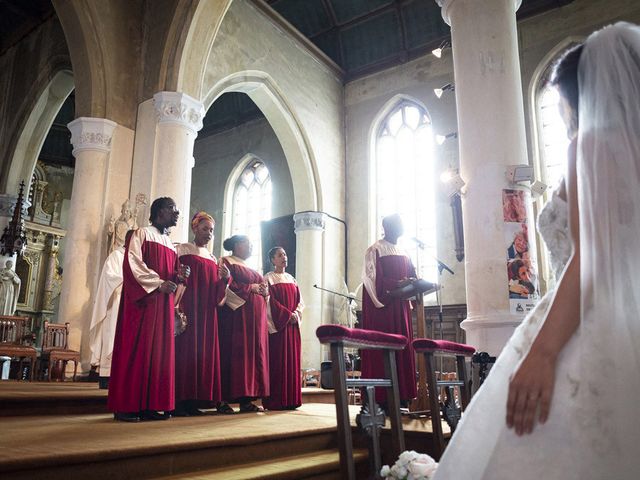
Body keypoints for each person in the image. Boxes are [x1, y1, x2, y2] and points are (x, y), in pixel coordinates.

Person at [434, 23, 640, 479]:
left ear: (576, 98)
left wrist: (543, 354)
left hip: (588, 324)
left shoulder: (589, 142)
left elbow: (591, 260)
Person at [107, 197, 190, 422]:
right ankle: (127, 405)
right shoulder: (141, 233)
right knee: (137, 350)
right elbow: (133, 264)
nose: (177, 212)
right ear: (158, 211)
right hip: (143, 303)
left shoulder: (169, 244)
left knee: (158, 354)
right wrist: (158, 283)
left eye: (176, 209)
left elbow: (170, 275)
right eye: (172, 208)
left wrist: (178, 277)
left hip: (162, 306)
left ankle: (150, 404)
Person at [173, 212, 230, 416]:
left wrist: (225, 279)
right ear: (194, 228)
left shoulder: (213, 259)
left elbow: (217, 295)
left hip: (206, 313)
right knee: (185, 353)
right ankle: (179, 401)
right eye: (205, 229)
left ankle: (194, 400)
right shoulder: (182, 249)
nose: (209, 233)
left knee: (201, 355)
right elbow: (174, 275)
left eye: (212, 230)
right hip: (188, 308)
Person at [361, 213, 417, 405]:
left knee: (403, 349)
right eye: (398, 224)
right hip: (384, 310)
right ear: (388, 227)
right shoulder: (375, 249)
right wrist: (398, 284)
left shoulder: (404, 251)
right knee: (386, 351)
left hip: (401, 309)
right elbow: (371, 280)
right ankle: (382, 399)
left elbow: (413, 277)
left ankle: (403, 397)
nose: (402, 226)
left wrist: (413, 283)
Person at [218, 235, 269, 413]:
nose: (251, 247)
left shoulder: (252, 268)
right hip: (236, 318)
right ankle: (223, 400)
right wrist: (251, 289)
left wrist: (264, 291)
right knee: (233, 355)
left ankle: (246, 400)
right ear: (237, 245)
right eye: (248, 243)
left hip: (255, 322)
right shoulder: (226, 261)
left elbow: (260, 287)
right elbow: (224, 284)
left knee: (252, 357)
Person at [89, 229, 133, 389]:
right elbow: (110, 277)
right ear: (127, 240)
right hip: (116, 303)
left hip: (131, 304)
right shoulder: (116, 256)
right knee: (112, 338)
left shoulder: (137, 258)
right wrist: (132, 283)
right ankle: (107, 376)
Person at [263, 247, 303, 410]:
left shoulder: (292, 279)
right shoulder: (268, 278)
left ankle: (292, 399)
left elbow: (300, 301)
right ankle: (277, 401)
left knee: (292, 362)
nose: (284, 257)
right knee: (278, 362)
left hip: (292, 328)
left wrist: (296, 314)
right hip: (279, 328)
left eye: (285, 254)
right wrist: (287, 315)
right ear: (273, 260)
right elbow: (268, 302)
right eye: (280, 255)